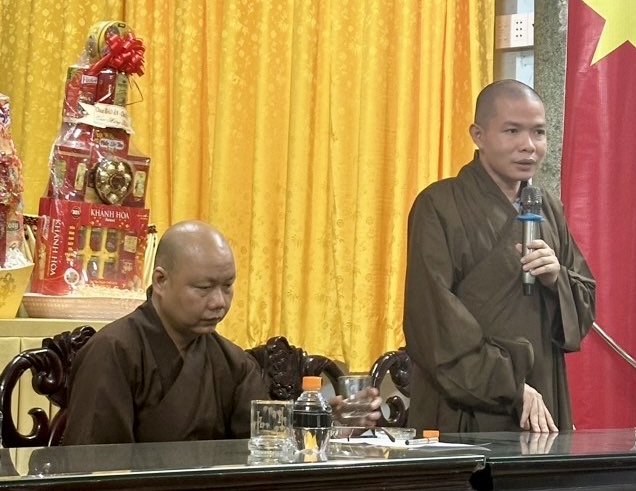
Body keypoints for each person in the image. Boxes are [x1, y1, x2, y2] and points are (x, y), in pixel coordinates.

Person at [63, 220, 381, 445]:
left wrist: (330, 426)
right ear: (160, 281)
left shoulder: (232, 362)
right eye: (204, 288)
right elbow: (93, 466)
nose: (219, 301)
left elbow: (268, 445)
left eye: (227, 286)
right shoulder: (113, 351)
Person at [402, 79, 596, 434]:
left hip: (542, 400)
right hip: (466, 402)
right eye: (512, 131)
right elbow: (432, 321)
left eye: (539, 133)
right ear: (478, 135)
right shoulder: (439, 206)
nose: (528, 146)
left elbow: (584, 307)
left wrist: (556, 280)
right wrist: (511, 386)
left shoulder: (547, 209)